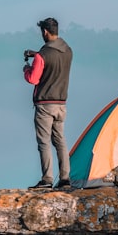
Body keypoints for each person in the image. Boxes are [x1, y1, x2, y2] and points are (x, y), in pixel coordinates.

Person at [23, 17, 73, 189]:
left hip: (45, 104)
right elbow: (53, 59)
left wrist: (27, 68)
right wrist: (36, 54)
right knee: (60, 140)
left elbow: (33, 79)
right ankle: (65, 179)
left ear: (45, 31)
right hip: (61, 103)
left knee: (43, 141)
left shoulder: (42, 55)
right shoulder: (67, 51)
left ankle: (47, 179)